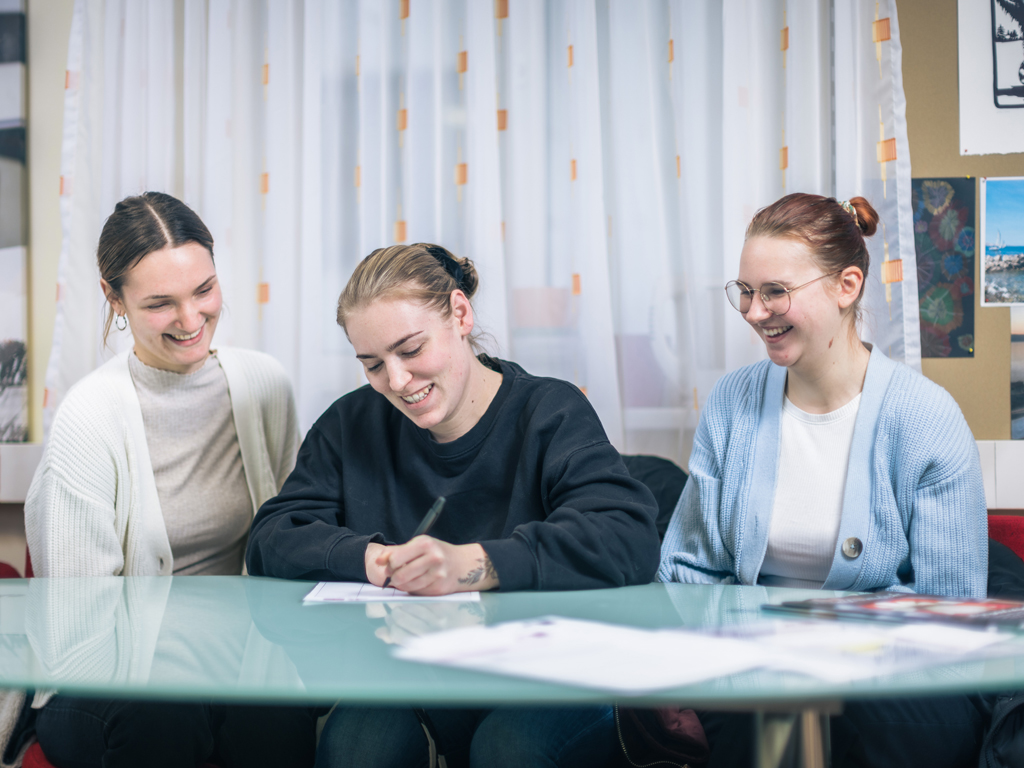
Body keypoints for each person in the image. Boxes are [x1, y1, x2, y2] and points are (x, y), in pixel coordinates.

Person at [246, 242, 661, 768]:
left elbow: (627, 533)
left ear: (460, 314)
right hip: (405, 675)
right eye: (372, 364)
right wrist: (378, 561)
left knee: (508, 749)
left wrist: (471, 566)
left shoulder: (549, 411)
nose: (396, 382)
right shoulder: (351, 424)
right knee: (358, 747)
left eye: (411, 350)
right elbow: (274, 536)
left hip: (539, 675)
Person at [658, 193, 989, 767]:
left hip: (899, 681)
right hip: (758, 673)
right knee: (769, 717)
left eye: (776, 292)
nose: (755, 312)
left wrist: (829, 644)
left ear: (847, 286)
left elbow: (950, 617)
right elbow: (687, 571)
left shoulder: (925, 418)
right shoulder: (732, 404)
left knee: (852, 718)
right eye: (746, 292)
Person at [22, 192, 315, 768]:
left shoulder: (264, 385)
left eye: (204, 290)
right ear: (114, 298)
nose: (190, 320)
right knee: (168, 709)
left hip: (234, 665)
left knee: (277, 711)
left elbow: (292, 540)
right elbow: (79, 627)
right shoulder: (89, 416)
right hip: (105, 682)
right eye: (161, 303)